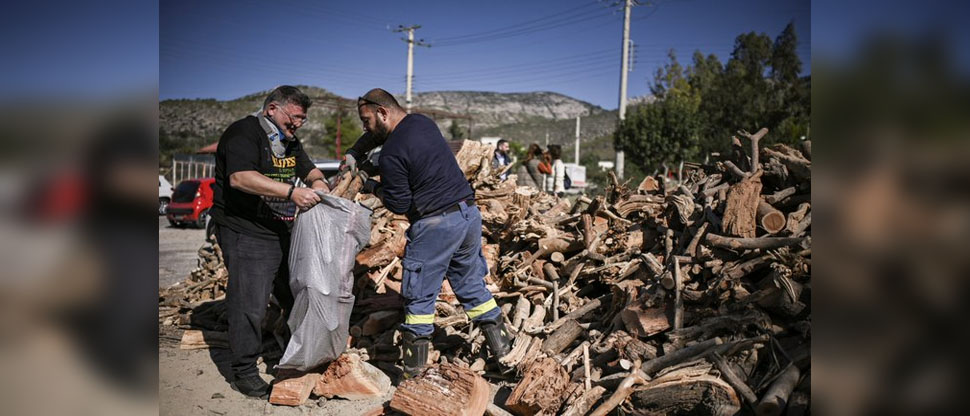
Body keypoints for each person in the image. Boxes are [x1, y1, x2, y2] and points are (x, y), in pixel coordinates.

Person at [351, 88, 511, 377]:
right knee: (471, 285)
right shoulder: (421, 122)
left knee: (419, 299)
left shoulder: (391, 154)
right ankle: (506, 354)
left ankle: (415, 377)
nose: (365, 127)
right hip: (468, 215)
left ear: (383, 113)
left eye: (366, 121)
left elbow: (399, 203)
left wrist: (370, 184)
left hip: (436, 224)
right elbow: (395, 146)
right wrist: (356, 152)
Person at [210, 86, 329, 398]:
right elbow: (240, 178)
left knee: (294, 295)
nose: (298, 124)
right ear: (272, 109)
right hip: (245, 230)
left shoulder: (288, 141)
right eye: (295, 118)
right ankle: (244, 370)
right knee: (249, 302)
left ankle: (297, 356)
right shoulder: (243, 134)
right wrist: (292, 193)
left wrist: (319, 183)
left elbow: (309, 168)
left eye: (303, 119)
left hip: (280, 228)